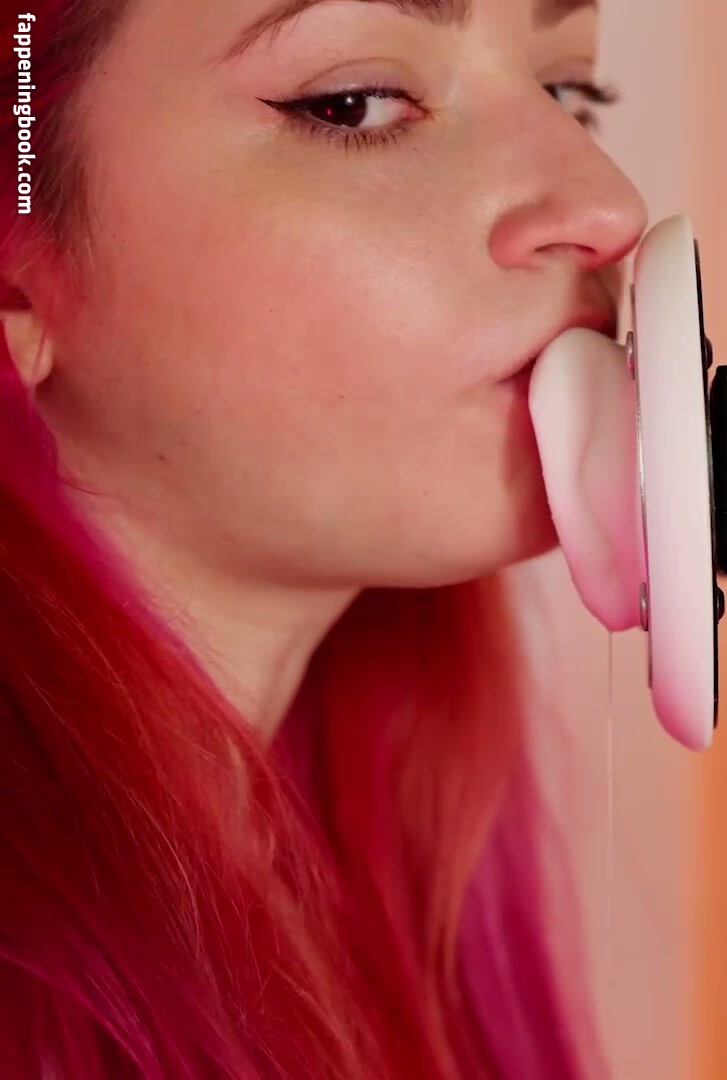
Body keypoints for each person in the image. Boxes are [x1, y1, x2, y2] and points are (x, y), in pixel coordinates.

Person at [0, 0, 645, 1074]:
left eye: (569, 92)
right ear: (15, 270)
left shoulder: (373, 886)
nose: (606, 206)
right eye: (355, 104)